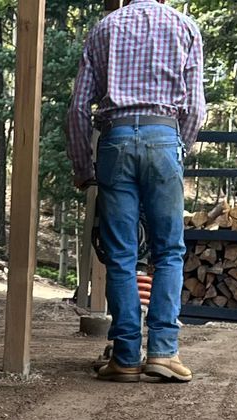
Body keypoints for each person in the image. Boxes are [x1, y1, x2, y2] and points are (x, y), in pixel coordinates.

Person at [67, 0, 207, 383]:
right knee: (169, 251)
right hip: (164, 137)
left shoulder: (104, 28)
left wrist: (83, 168)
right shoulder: (184, 27)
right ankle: (163, 352)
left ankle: (126, 355)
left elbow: (79, 108)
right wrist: (177, 149)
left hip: (115, 141)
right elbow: (194, 107)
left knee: (121, 254)